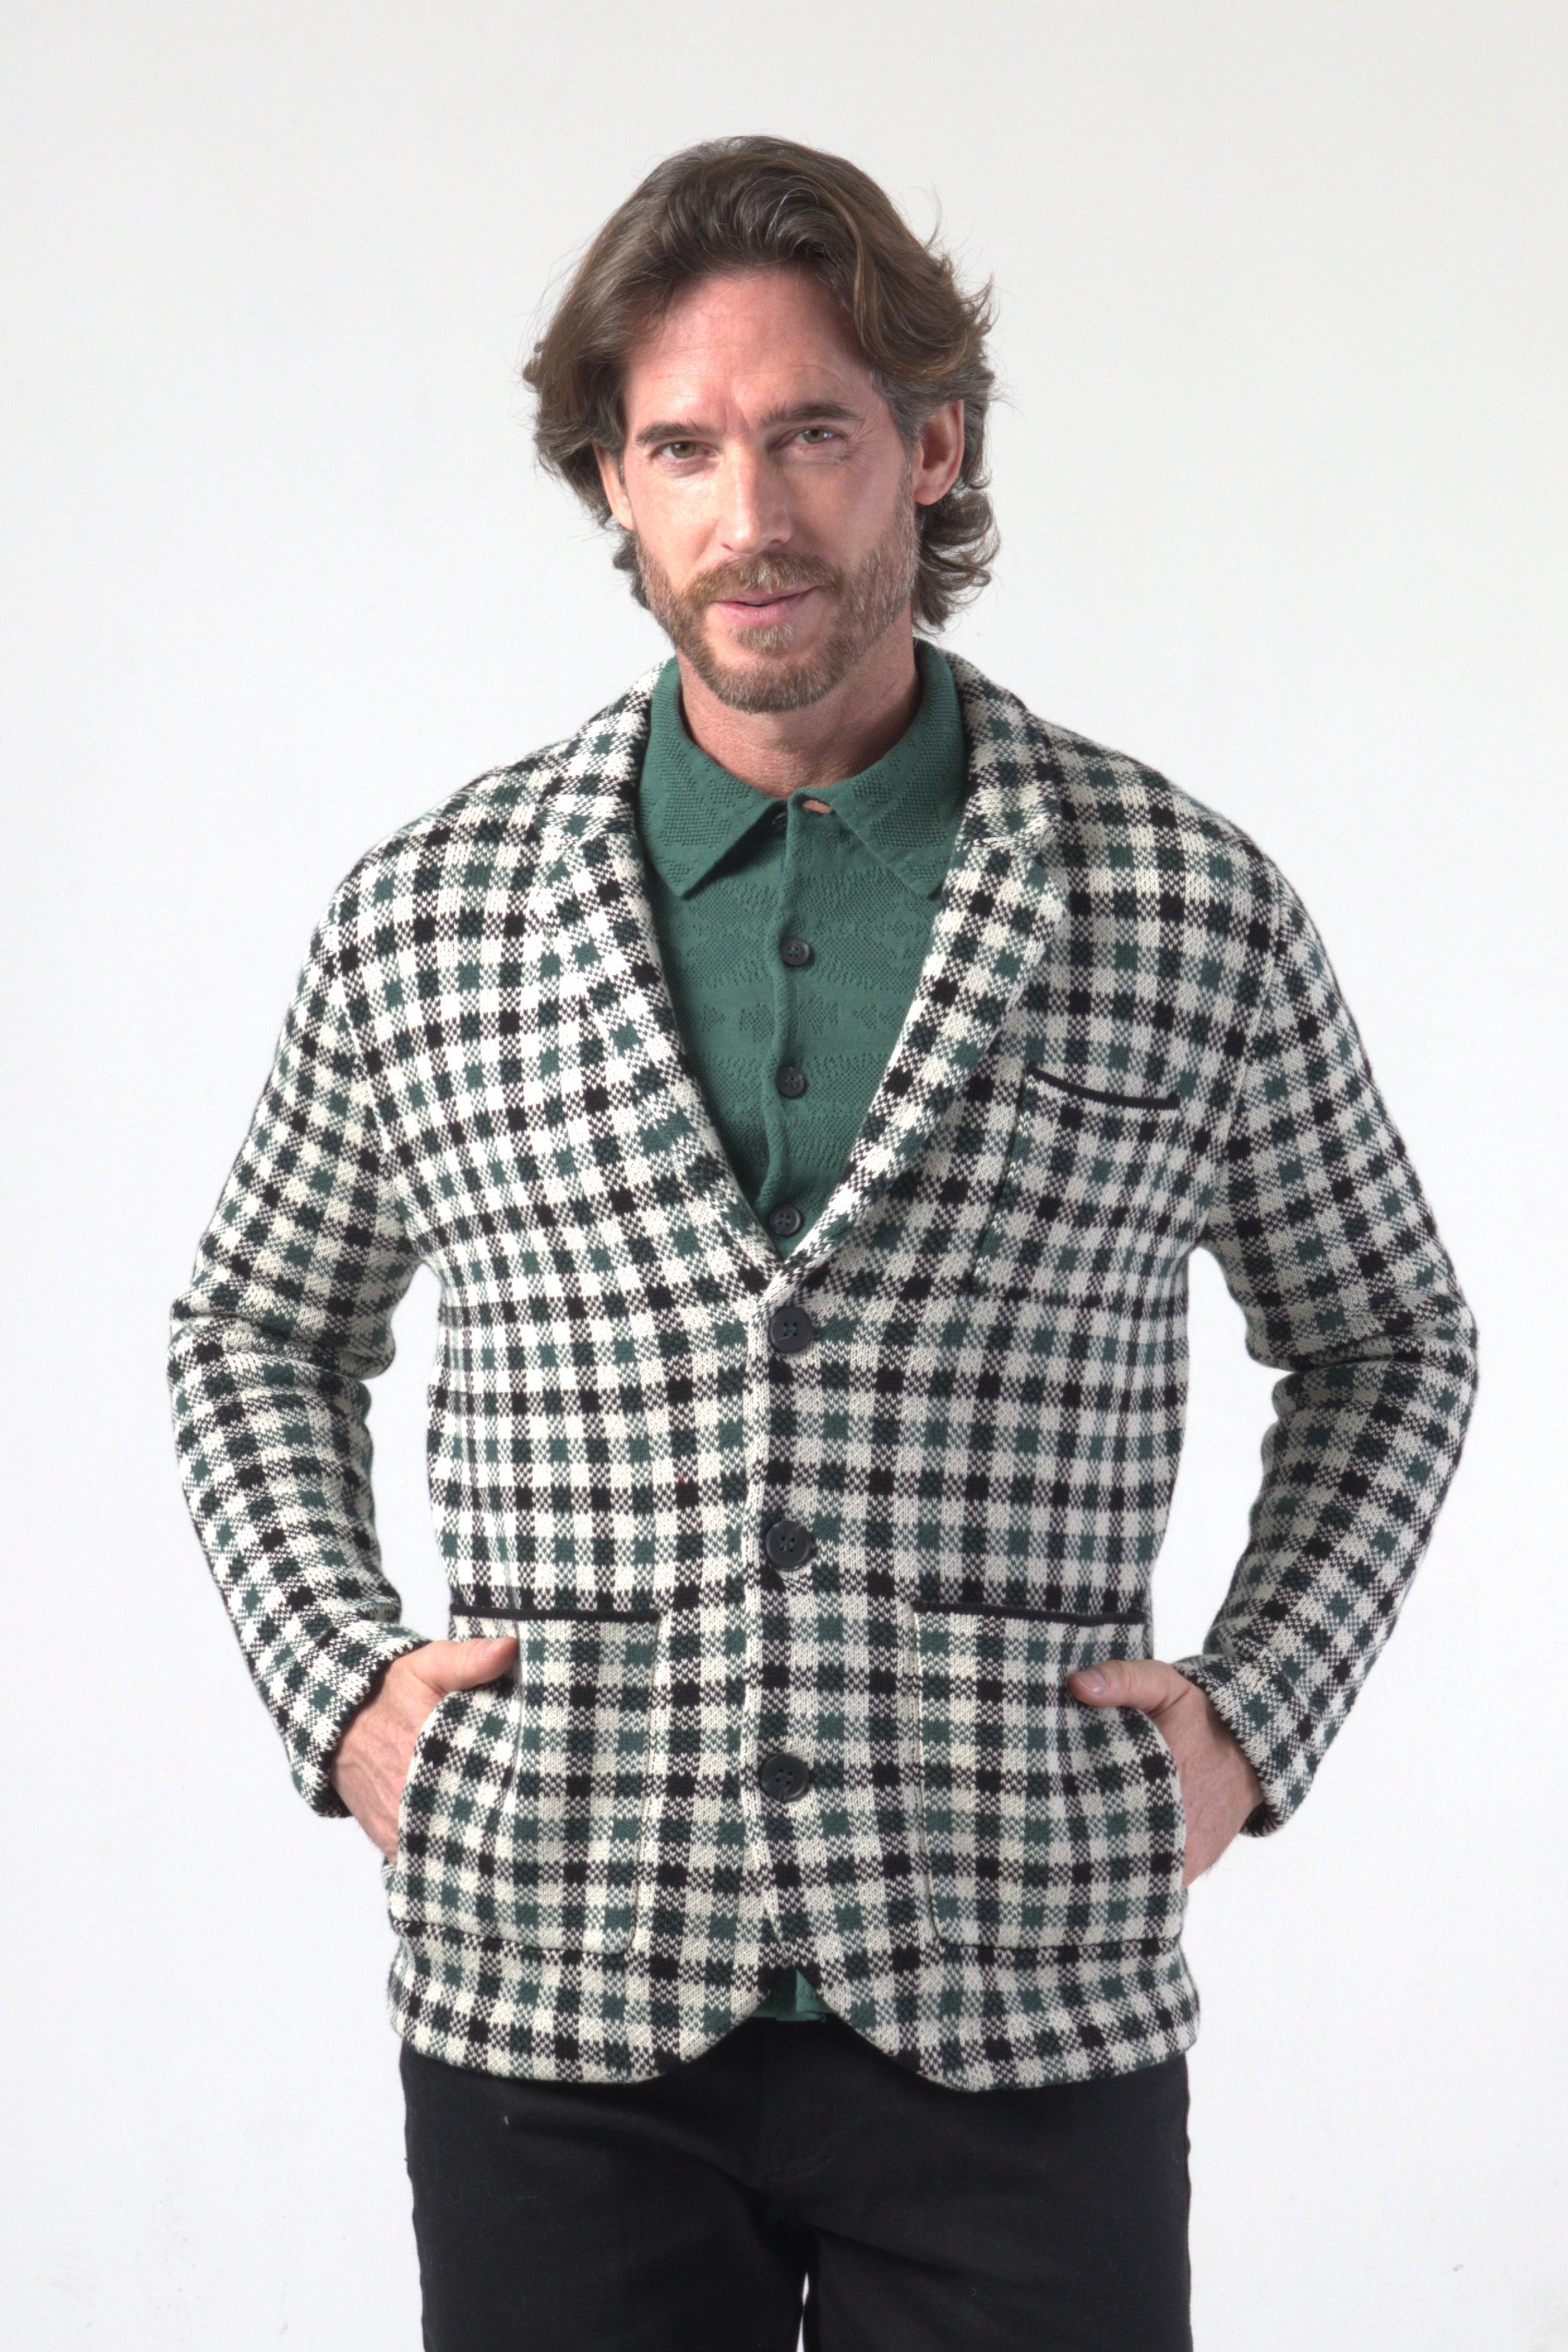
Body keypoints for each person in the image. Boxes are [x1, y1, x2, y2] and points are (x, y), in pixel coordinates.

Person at [168, 135, 1477, 2352]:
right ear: (610, 480)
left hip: (1019, 1980)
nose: (748, 515)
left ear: (927, 451)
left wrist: (1251, 1720)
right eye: (680, 448)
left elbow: (1386, 1338)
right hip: (552, 1985)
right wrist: (340, 1687)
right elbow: (252, 1326)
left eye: (810, 435)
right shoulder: (426, 913)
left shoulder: (1179, 901)